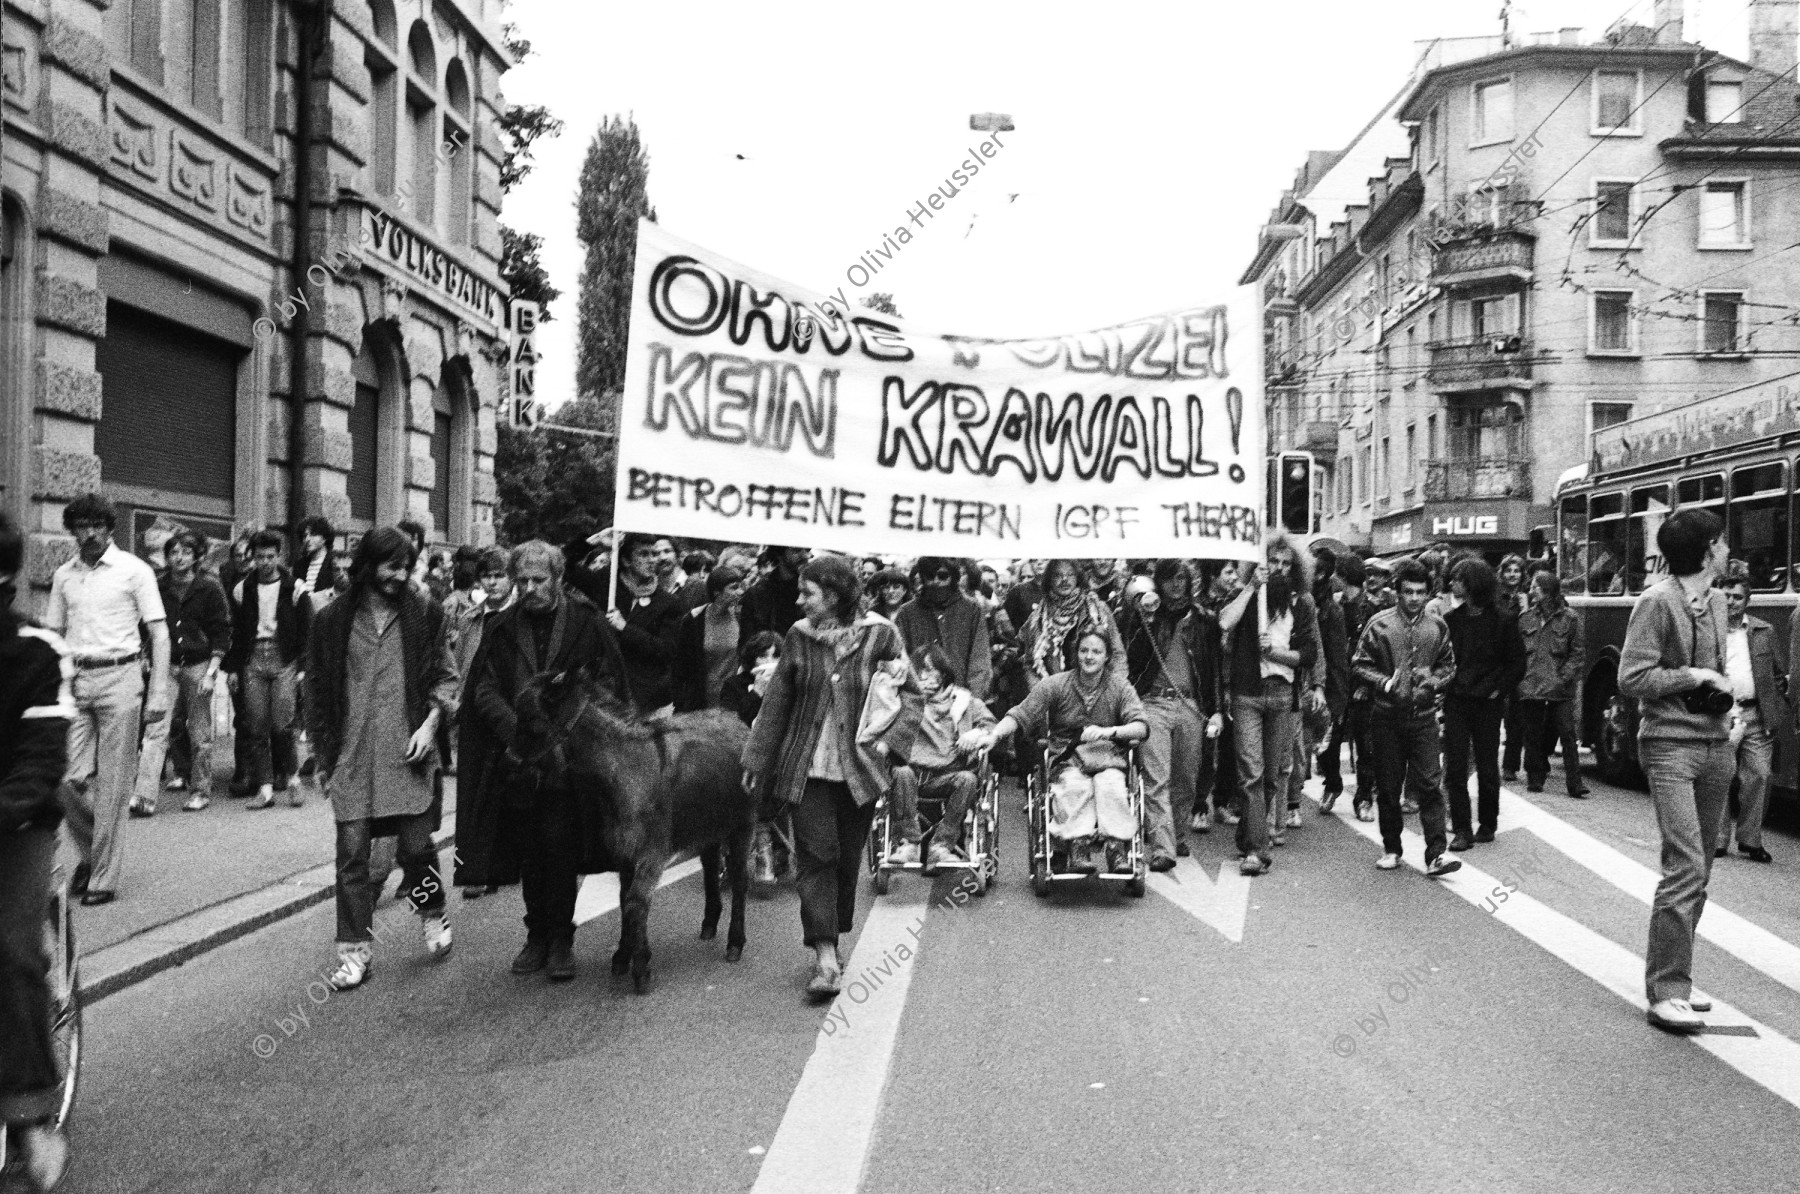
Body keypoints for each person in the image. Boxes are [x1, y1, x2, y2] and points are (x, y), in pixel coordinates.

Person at [741, 556, 918, 999]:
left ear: (835, 596)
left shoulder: (882, 635)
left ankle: (833, 934)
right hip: (807, 768)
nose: (799, 601)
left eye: (808, 594)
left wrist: (890, 742)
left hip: (861, 769)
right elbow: (777, 702)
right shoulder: (799, 638)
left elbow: (911, 696)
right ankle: (823, 955)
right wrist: (757, 759)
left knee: (846, 858)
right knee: (817, 854)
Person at [458, 541, 629, 977]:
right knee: (529, 851)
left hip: (571, 762)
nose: (529, 588)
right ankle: (535, 935)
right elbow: (483, 689)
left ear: (557, 579)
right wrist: (517, 728)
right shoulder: (501, 628)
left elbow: (607, 684)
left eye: (539, 580)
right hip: (519, 762)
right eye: (523, 581)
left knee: (563, 849)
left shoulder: (586, 623)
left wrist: (568, 722)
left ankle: (560, 940)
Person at [306, 527, 460, 991]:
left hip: (406, 753)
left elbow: (447, 677)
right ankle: (354, 954)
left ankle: (432, 913)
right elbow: (314, 692)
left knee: (416, 848)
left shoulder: (424, 615)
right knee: (351, 858)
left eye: (405, 567)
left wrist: (431, 724)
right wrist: (321, 756)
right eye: (391, 566)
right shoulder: (331, 620)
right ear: (367, 565)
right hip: (351, 758)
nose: (399, 576)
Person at [1618, 508, 1736, 1032]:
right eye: (1723, 543)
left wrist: (1725, 704)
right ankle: (1666, 990)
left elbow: (1717, 671)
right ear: (1708, 549)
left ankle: (1680, 976)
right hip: (1668, 745)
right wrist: (1693, 674)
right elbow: (1631, 677)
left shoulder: (1715, 601)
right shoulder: (1656, 601)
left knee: (1702, 867)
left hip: (1715, 743)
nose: (1729, 551)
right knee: (1686, 863)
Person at [47, 493, 170, 906]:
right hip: (76, 679)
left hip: (122, 676)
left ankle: (102, 876)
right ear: (73, 532)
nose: (90, 533)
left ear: (110, 528)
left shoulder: (134, 571)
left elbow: (159, 633)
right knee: (62, 778)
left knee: (113, 784)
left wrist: (158, 694)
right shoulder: (64, 575)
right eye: (82, 527)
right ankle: (91, 855)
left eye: (97, 525)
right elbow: (54, 635)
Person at [0, 511, 75, 1190]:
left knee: (14, 951)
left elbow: (41, 759)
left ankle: (30, 1116)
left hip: (17, 826)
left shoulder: (36, 653)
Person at [970, 628, 1148, 875]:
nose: (1089, 656)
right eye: (1084, 650)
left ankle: (1117, 848)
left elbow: (1140, 726)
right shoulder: (1056, 684)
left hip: (1107, 757)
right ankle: (1078, 846)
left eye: (1096, 651)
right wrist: (995, 735)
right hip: (1068, 757)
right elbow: (1022, 713)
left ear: (1107, 657)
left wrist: (1110, 732)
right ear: (1076, 654)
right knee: (1076, 785)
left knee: (1111, 784)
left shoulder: (1119, 686)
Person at [1351, 558, 1461, 877]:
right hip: (1386, 718)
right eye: (1408, 592)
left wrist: (1434, 679)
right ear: (1397, 592)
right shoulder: (1379, 624)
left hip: (1424, 717)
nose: (1414, 598)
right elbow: (1359, 663)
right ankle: (1391, 848)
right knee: (1388, 786)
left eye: (1421, 592)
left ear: (1428, 594)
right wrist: (1384, 681)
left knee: (1429, 784)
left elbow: (1449, 665)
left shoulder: (1437, 626)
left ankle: (1436, 854)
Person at [1218, 535, 1319, 876]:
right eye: (1272, 561)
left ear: (1295, 568)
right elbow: (1224, 621)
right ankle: (1256, 851)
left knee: (1272, 778)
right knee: (1252, 774)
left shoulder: (1302, 603)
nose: (1278, 568)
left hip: (1281, 695)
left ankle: (1249, 831)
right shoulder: (1250, 594)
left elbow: (1308, 654)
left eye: (1285, 563)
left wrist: (1275, 653)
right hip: (1247, 692)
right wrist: (1250, 588)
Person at [1118, 560, 1221, 869]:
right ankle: (1163, 848)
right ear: (1158, 583)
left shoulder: (1204, 620)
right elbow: (1131, 658)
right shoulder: (1146, 615)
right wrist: (1143, 619)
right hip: (1153, 704)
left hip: (1191, 706)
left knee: (1187, 779)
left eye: (1181, 578)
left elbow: (1213, 669)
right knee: (1156, 778)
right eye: (1169, 579)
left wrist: (1216, 711)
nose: (1176, 584)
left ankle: (1175, 833)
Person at [135, 531, 230, 814]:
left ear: (197, 556)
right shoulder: (157, 586)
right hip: (166, 664)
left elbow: (221, 630)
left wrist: (212, 671)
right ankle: (144, 796)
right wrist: (143, 654)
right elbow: (144, 624)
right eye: (174, 552)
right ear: (166, 557)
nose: (179, 557)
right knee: (156, 729)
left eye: (186, 552)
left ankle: (200, 790)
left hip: (199, 663)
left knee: (200, 732)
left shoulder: (209, 588)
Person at [884, 643, 996, 868]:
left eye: (930, 670)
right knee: (900, 772)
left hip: (947, 775)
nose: (924, 677)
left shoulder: (966, 702)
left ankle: (942, 846)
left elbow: (992, 727)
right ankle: (909, 844)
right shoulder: (903, 703)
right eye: (919, 671)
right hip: (913, 773)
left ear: (943, 673)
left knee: (968, 779)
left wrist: (976, 734)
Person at [225, 529, 311, 811]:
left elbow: (307, 630)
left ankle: (294, 780)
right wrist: (234, 668)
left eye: (270, 556)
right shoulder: (242, 589)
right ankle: (265, 789)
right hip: (253, 659)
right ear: (252, 557)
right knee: (256, 725)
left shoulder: (294, 588)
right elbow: (237, 632)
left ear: (279, 556)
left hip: (283, 657)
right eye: (260, 557)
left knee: (283, 723)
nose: (265, 562)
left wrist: (302, 667)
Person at [1443, 558, 1525, 851]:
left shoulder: (1504, 620)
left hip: (1488, 703)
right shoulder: (1452, 621)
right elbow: (1444, 661)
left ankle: (1488, 823)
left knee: (1488, 766)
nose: (1452, 583)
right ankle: (1462, 830)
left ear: (1472, 583)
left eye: (1458, 578)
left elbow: (1517, 664)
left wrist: (1497, 691)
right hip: (1457, 701)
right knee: (1454, 767)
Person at [1714, 564, 1790, 863]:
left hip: (1756, 715)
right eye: (1726, 596)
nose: (1731, 601)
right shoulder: (1709, 631)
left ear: (1748, 601)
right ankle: (1718, 839)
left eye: (1737, 597)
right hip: (1720, 716)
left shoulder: (1763, 630)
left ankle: (1750, 839)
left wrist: (1775, 713)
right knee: (1719, 777)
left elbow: (1778, 676)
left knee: (1759, 776)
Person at [565, 532, 684, 717]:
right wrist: (592, 543)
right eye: (644, 554)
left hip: (649, 700)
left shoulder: (669, 603)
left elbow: (667, 651)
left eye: (654, 554)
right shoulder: (605, 584)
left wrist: (625, 628)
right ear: (627, 560)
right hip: (605, 696)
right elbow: (563, 566)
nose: (653, 560)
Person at [1516, 571, 1587, 799]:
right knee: (1533, 734)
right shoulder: (1525, 618)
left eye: (1536, 587)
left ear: (1548, 590)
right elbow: (1517, 654)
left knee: (1567, 734)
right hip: (1532, 686)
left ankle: (1575, 783)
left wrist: (1563, 677)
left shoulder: (1571, 618)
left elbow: (1577, 654)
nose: (1531, 590)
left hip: (1560, 689)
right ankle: (1535, 778)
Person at [1321, 553, 1375, 818]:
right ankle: (1332, 784)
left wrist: (1367, 683)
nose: (1331, 579)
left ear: (1344, 577)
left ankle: (1364, 798)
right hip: (1336, 684)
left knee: (1366, 744)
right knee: (1327, 742)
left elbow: (1378, 650)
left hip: (1364, 685)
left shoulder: (1372, 608)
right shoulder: (1333, 606)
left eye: (1336, 574)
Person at [894, 555, 992, 702]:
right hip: (919, 699)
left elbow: (980, 659)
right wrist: (914, 688)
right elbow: (899, 659)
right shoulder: (906, 612)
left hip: (961, 697)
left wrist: (972, 700)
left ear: (953, 577)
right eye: (930, 576)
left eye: (942, 576)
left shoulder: (972, 609)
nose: (936, 582)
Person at [1018, 559, 1126, 683]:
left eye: (1070, 574)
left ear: (1078, 578)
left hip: (1095, 691)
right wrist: (1040, 691)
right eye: (1058, 575)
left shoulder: (1097, 609)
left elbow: (1117, 655)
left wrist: (1113, 691)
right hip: (1054, 694)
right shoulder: (1038, 617)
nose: (1065, 579)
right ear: (1049, 580)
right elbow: (1029, 662)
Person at [673, 564, 749, 713]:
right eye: (734, 588)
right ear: (717, 592)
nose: (740, 592)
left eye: (740, 587)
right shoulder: (694, 619)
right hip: (700, 699)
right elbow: (680, 665)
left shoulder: (740, 617)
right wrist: (680, 701)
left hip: (731, 700)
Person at [1497, 553, 1531, 781]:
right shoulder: (1495, 597)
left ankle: (1510, 765)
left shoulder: (1527, 598)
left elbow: (1530, 628)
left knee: (1515, 718)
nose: (1512, 575)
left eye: (1516, 571)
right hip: (1497, 661)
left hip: (1519, 662)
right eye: (1508, 570)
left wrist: (1525, 608)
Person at [740, 546, 811, 641]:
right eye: (797, 550)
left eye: (807, 550)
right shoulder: (757, 594)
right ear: (779, 553)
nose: (804, 555)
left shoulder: (812, 591)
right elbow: (746, 642)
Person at [290, 516, 338, 606]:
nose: (307, 539)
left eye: (313, 534)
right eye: (305, 536)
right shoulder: (299, 566)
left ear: (324, 538)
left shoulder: (335, 564)